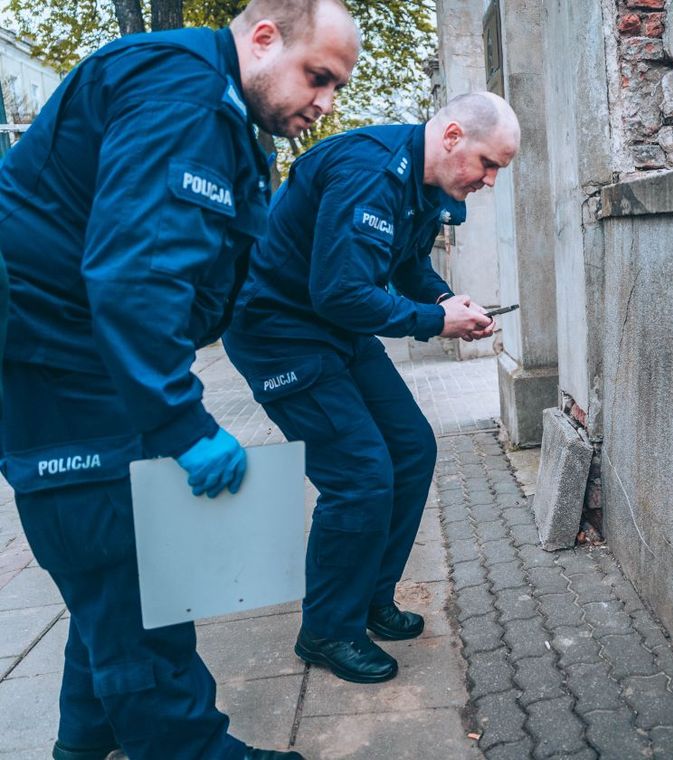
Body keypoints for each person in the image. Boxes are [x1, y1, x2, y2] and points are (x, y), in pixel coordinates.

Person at [0, 1, 360, 758]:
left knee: (115, 579)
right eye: (318, 77)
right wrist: (182, 424)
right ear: (264, 39)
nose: (324, 105)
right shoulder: (185, 98)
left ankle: (82, 747)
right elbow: (137, 274)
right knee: (128, 575)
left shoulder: (213, 104)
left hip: (81, 356)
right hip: (58, 366)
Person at [222, 92, 520, 683]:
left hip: (335, 329)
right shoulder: (369, 171)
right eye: (488, 163)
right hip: (280, 333)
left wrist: (441, 298)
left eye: (498, 171)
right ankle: (328, 630)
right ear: (454, 136)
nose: (489, 180)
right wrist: (437, 323)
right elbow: (340, 291)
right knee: (360, 476)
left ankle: (368, 598)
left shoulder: (424, 186)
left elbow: (407, 266)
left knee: (411, 447)